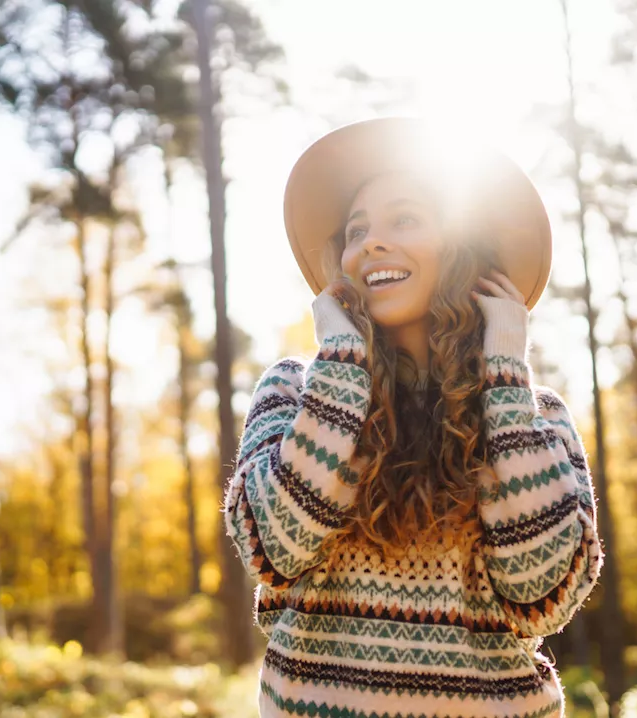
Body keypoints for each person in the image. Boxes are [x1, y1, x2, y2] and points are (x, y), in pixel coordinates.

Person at [222, 117, 604, 717]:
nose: (372, 242)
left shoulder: (535, 416)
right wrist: (344, 368)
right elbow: (272, 550)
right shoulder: (293, 390)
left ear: (463, 251)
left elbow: (545, 593)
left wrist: (503, 373)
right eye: (356, 230)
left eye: (405, 219)